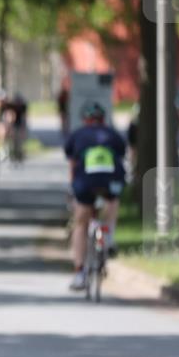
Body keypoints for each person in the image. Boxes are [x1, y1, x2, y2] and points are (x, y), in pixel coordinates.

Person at [64, 101, 126, 291]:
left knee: (80, 224)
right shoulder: (114, 135)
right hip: (110, 182)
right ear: (103, 119)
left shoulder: (77, 135)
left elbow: (73, 166)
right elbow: (121, 158)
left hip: (85, 182)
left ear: (85, 119)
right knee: (112, 203)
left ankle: (80, 273)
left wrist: (72, 189)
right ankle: (109, 238)